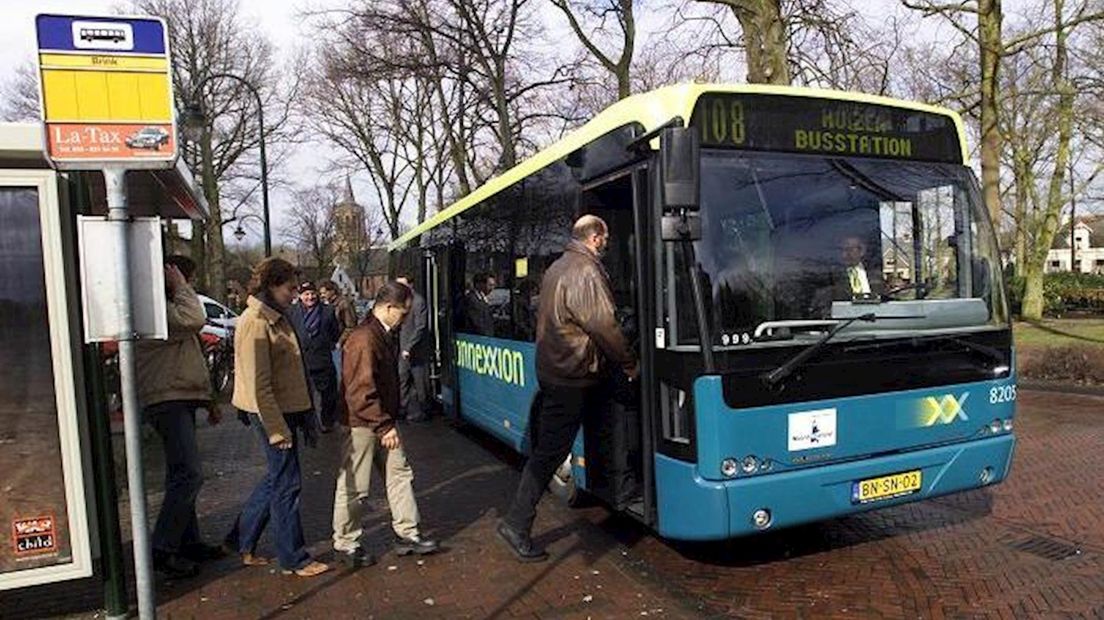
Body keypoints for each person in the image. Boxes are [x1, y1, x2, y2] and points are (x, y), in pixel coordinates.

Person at [498, 215, 638, 562]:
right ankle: (516, 523)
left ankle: (619, 489)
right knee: (549, 452)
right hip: (573, 375)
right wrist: (629, 361)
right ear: (594, 237)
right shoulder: (585, 271)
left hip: (560, 372)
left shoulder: (558, 267)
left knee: (573, 437)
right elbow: (604, 325)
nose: (607, 243)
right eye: (605, 237)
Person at [225, 258, 330, 578]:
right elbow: (260, 384)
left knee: (277, 478)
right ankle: (293, 557)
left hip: (281, 410)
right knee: (287, 483)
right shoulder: (258, 321)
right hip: (274, 414)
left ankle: (242, 540)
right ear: (272, 285)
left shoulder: (270, 316)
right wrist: (276, 430)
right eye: (290, 288)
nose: (295, 294)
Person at [332, 281, 439, 567]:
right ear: (389, 308)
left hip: (377, 421)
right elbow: (360, 390)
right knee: (356, 486)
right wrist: (384, 425)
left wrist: (385, 422)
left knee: (399, 474)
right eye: (403, 313)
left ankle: (407, 533)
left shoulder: (376, 334)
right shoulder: (366, 338)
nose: (405, 319)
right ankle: (346, 543)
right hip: (364, 423)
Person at [136, 255, 224, 578]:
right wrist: (181, 286)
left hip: (179, 396)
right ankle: (164, 547)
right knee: (189, 474)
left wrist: (208, 400)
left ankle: (188, 542)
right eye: (186, 280)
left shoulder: (166, 309)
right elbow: (194, 319)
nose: (190, 286)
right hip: (166, 399)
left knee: (180, 474)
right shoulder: (155, 310)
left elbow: (192, 353)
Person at [288, 281, 342, 433]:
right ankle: (307, 423)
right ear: (300, 296)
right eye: (306, 294)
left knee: (328, 396)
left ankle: (327, 421)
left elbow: (334, 333)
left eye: (313, 294)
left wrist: (328, 344)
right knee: (304, 396)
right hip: (301, 361)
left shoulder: (328, 311)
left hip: (323, 359)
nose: (310, 297)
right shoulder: (291, 312)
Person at [395, 273, 430, 422]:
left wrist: (408, 347)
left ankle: (424, 411)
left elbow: (420, 327)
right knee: (402, 379)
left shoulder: (418, 302)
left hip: (415, 351)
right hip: (402, 347)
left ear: (410, 285)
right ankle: (402, 410)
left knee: (419, 382)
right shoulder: (399, 301)